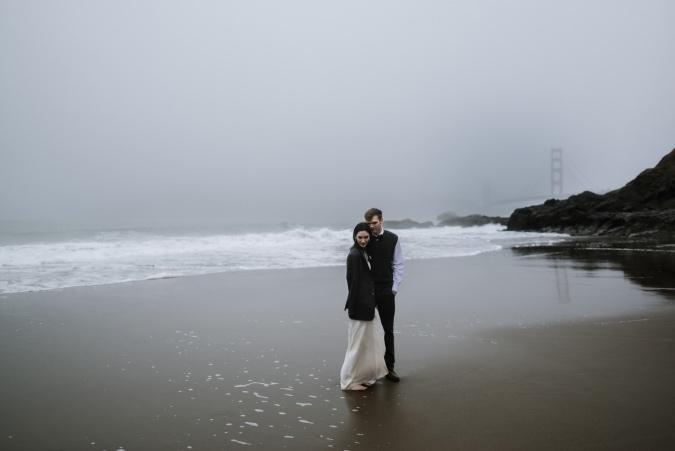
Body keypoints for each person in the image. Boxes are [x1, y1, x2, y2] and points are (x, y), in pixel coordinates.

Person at [340, 222, 388, 390]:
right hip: (360, 308)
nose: (363, 240)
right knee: (356, 347)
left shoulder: (364, 252)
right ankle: (347, 382)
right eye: (359, 237)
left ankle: (363, 376)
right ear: (354, 237)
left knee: (369, 343)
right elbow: (352, 284)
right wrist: (355, 309)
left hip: (367, 305)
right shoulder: (354, 255)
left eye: (366, 237)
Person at [364, 208, 404, 382]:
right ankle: (368, 369)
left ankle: (390, 368)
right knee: (366, 330)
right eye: (369, 224)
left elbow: (398, 264)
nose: (371, 226)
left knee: (388, 330)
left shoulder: (393, 238)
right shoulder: (364, 239)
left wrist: (394, 289)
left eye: (374, 223)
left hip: (387, 290)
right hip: (368, 291)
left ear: (381, 220)